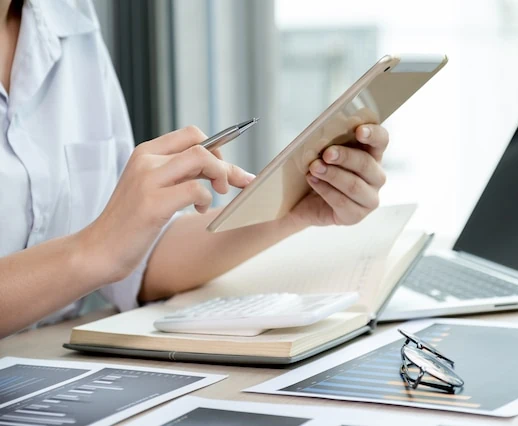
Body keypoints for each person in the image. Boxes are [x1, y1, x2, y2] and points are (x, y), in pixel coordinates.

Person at [0, 0, 390, 338]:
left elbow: (132, 261)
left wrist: (293, 205)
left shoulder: (66, 15)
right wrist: (94, 249)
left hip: (49, 363)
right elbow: (102, 250)